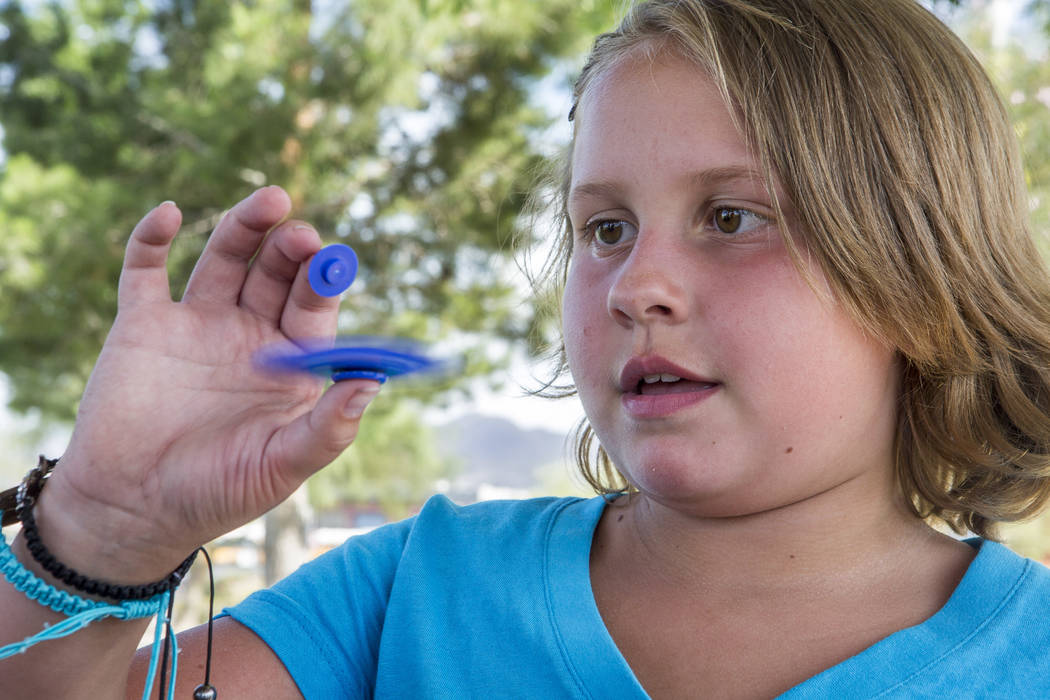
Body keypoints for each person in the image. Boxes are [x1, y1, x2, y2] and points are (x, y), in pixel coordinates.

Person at [3, 0, 1050, 697]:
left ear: (925, 267)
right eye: (604, 229)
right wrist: (106, 521)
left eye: (731, 217)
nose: (636, 284)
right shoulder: (413, 588)